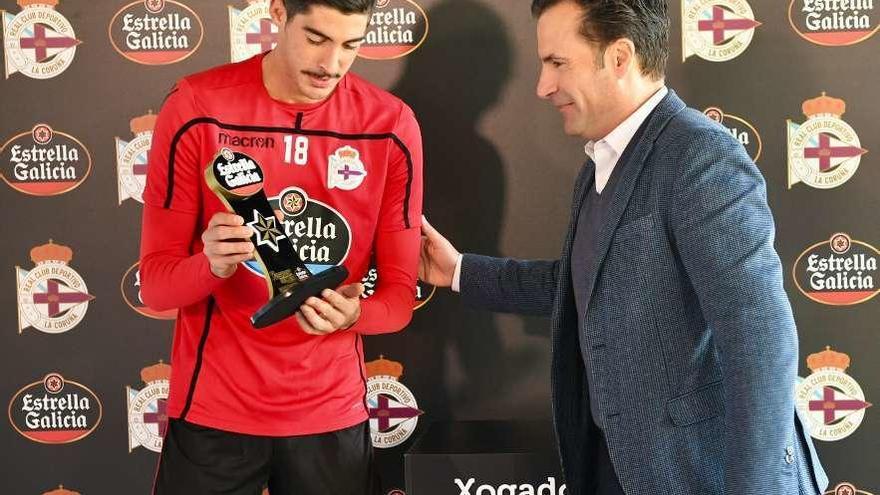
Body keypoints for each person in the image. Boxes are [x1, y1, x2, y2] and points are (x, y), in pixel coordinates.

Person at [418, 0, 826, 493]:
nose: (543, 87)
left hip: (698, 477)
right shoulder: (600, 162)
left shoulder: (699, 155)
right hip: (620, 468)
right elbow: (587, 282)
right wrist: (459, 271)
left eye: (557, 63)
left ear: (619, 57)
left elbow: (760, 338)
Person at [138, 0, 423, 492]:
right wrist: (211, 265)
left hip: (331, 415)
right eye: (316, 38)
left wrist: (355, 316)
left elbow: (398, 297)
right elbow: (156, 288)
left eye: (351, 45)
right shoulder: (196, 107)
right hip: (214, 414)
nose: (331, 64)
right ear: (277, 11)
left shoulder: (391, 126)